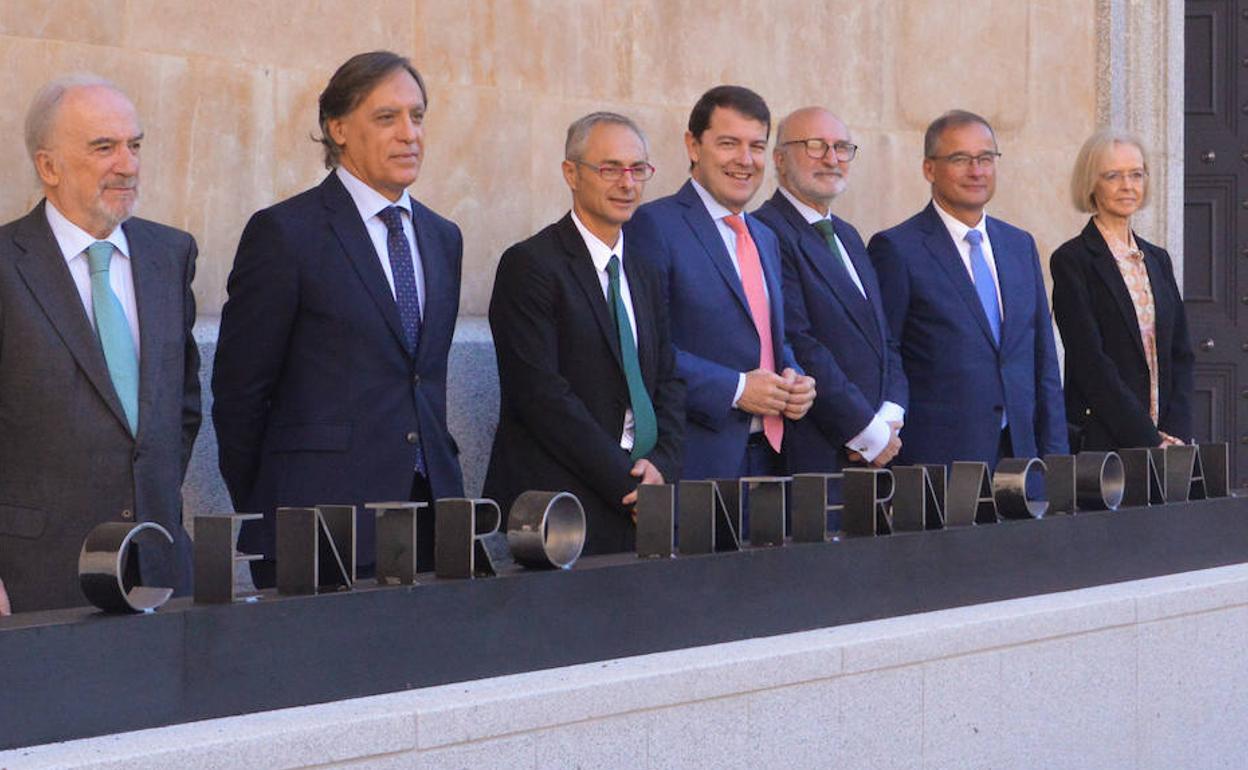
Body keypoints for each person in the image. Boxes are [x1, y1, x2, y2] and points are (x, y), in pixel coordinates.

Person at [212, 51, 464, 588]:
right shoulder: (286, 233)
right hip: (318, 528)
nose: (409, 134)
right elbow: (239, 393)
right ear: (338, 129)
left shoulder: (444, 238)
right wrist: (273, 504)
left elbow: (421, 378)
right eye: (387, 117)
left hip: (431, 520)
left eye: (417, 116)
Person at [0, 74, 200, 613]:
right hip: (37, 576)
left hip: (158, 565)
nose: (128, 165)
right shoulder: (6, 265)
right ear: (49, 167)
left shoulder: (169, 254)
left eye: (135, 145)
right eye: (104, 147)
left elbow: (182, 407)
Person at [484, 113, 684, 554]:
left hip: (643, 497)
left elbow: (668, 379)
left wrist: (662, 466)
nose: (626, 183)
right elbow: (541, 396)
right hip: (561, 505)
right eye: (609, 169)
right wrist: (627, 484)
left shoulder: (646, 269)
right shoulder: (531, 265)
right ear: (571, 173)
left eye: (638, 169)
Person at [627, 85, 815, 482]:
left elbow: (767, 336)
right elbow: (644, 347)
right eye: (729, 143)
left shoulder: (765, 236)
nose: (745, 160)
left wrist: (794, 375)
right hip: (698, 463)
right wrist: (736, 389)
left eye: (756, 146)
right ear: (693, 146)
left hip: (772, 459)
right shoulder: (653, 225)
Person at [868, 110, 1067, 470]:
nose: (976, 171)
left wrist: (1055, 460)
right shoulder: (897, 249)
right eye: (960, 159)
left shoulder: (1019, 245)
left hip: (1022, 457)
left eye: (985, 158)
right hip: (939, 464)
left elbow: (1043, 358)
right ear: (929, 168)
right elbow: (886, 353)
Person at [753, 107, 907, 499]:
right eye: (815, 146)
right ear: (779, 159)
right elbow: (799, 343)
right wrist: (865, 431)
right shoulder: (767, 231)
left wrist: (891, 415)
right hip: (818, 454)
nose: (831, 158)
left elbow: (885, 339)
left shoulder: (849, 236)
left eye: (841, 147)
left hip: (876, 453)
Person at [1050, 129, 1193, 451]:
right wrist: (1147, 439)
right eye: (1113, 176)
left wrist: (1174, 433)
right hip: (1105, 441)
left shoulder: (1158, 259)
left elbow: (1181, 352)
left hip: (1168, 442)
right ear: (1091, 183)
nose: (1128, 186)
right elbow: (1090, 362)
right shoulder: (1072, 260)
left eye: (1136, 174)